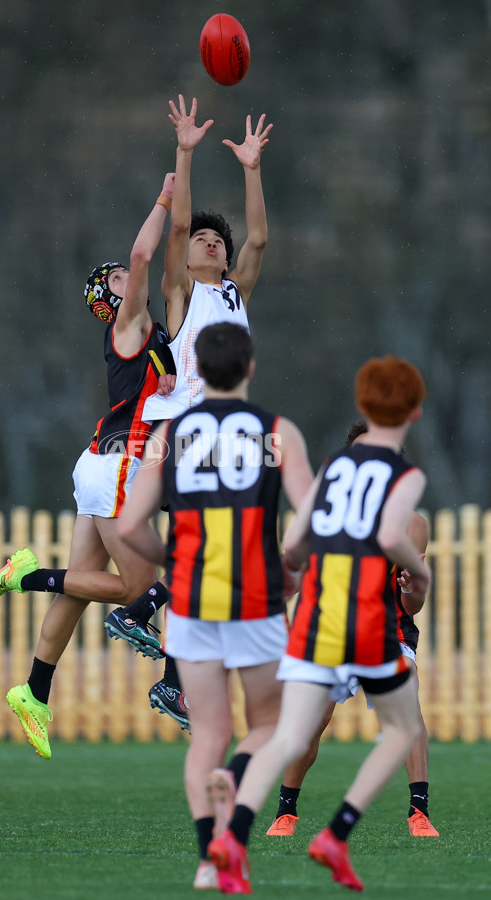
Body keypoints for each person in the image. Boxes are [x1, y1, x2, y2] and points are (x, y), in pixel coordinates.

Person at [208, 354, 430, 894]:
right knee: (401, 729)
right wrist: (417, 575)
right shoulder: (405, 475)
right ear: (415, 413)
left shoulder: (332, 469)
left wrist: (294, 572)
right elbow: (393, 538)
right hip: (366, 622)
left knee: (288, 735)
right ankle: (337, 832)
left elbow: (294, 544)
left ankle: (233, 835)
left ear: (362, 406)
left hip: (316, 622)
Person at [0, 174, 187, 758]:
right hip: (118, 465)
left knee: (77, 591)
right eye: (122, 279)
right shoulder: (126, 325)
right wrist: (166, 196)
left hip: (100, 464)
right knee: (139, 586)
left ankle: (34, 690)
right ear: (114, 295)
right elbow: (146, 251)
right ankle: (23, 575)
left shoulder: (145, 337)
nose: (132, 276)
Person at [117, 322, 315, 891]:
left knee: (208, 732)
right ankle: (237, 792)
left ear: (198, 371)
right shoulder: (277, 433)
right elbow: (309, 517)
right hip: (255, 601)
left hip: (193, 604)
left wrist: (172, 561)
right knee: (271, 726)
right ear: (251, 367)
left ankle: (209, 860)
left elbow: (131, 525)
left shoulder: (170, 436)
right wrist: (290, 564)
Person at [104, 93, 274, 663]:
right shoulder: (183, 294)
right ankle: (146, 619)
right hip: (181, 430)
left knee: (206, 552)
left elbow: (259, 240)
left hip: (220, 435)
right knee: (210, 547)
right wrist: (185, 153)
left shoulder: (233, 290)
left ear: (226, 261)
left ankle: (154, 635)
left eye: (217, 242)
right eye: (204, 239)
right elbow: (178, 225)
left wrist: (252, 171)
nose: (211, 241)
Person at [267, 420, 439, 839]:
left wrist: (411, 587)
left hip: (387, 630)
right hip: (333, 630)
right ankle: (285, 811)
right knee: (312, 719)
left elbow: (411, 605)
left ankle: (419, 812)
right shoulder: (327, 510)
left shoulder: (412, 523)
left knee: (406, 699)